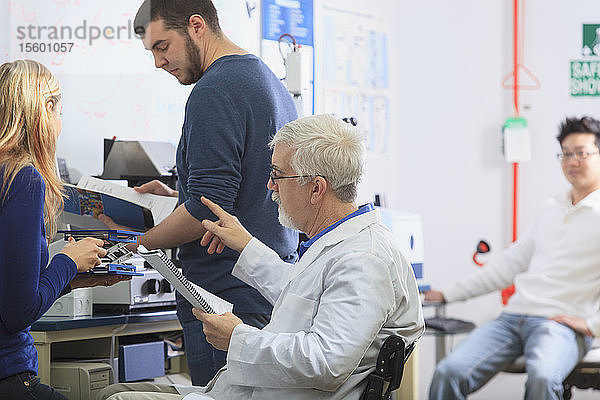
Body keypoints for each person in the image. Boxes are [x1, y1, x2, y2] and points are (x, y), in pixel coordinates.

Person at [96, 114, 425, 400]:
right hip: (253, 389)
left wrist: (238, 338)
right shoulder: (344, 246)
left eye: (278, 175)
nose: (270, 186)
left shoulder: (363, 261)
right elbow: (304, 296)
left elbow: (325, 363)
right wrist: (246, 245)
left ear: (316, 189)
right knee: (110, 393)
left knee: (115, 398)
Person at [98, 0, 300, 385]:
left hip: (223, 295)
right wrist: (178, 192)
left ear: (196, 26)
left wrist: (134, 246)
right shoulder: (265, 78)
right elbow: (244, 183)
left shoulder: (215, 89)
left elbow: (208, 208)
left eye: (163, 47)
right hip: (264, 286)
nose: (158, 62)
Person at [426, 116, 600, 400]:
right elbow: (509, 265)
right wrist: (447, 294)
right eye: (566, 153)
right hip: (512, 318)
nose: (572, 161)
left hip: (560, 324)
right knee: (449, 373)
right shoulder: (551, 208)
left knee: (543, 378)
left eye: (581, 153)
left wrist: (592, 326)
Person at [0, 60, 119, 400]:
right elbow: (17, 311)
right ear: (46, 108)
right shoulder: (21, 178)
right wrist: (68, 260)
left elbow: (8, 289)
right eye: (59, 111)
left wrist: (73, 276)